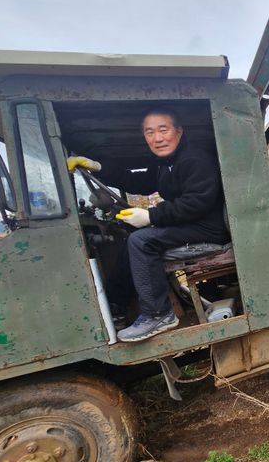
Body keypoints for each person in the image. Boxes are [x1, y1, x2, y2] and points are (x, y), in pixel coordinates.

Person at [67, 108, 229, 342]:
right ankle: (116, 307)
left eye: (163, 130)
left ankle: (159, 314)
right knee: (130, 233)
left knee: (142, 240)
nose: (157, 138)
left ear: (179, 131)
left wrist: (151, 216)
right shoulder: (164, 162)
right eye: (149, 132)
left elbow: (196, 203)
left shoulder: (196, 159)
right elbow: (139, 182)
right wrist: (98, 167)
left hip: (209, 227)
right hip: (191, 222)